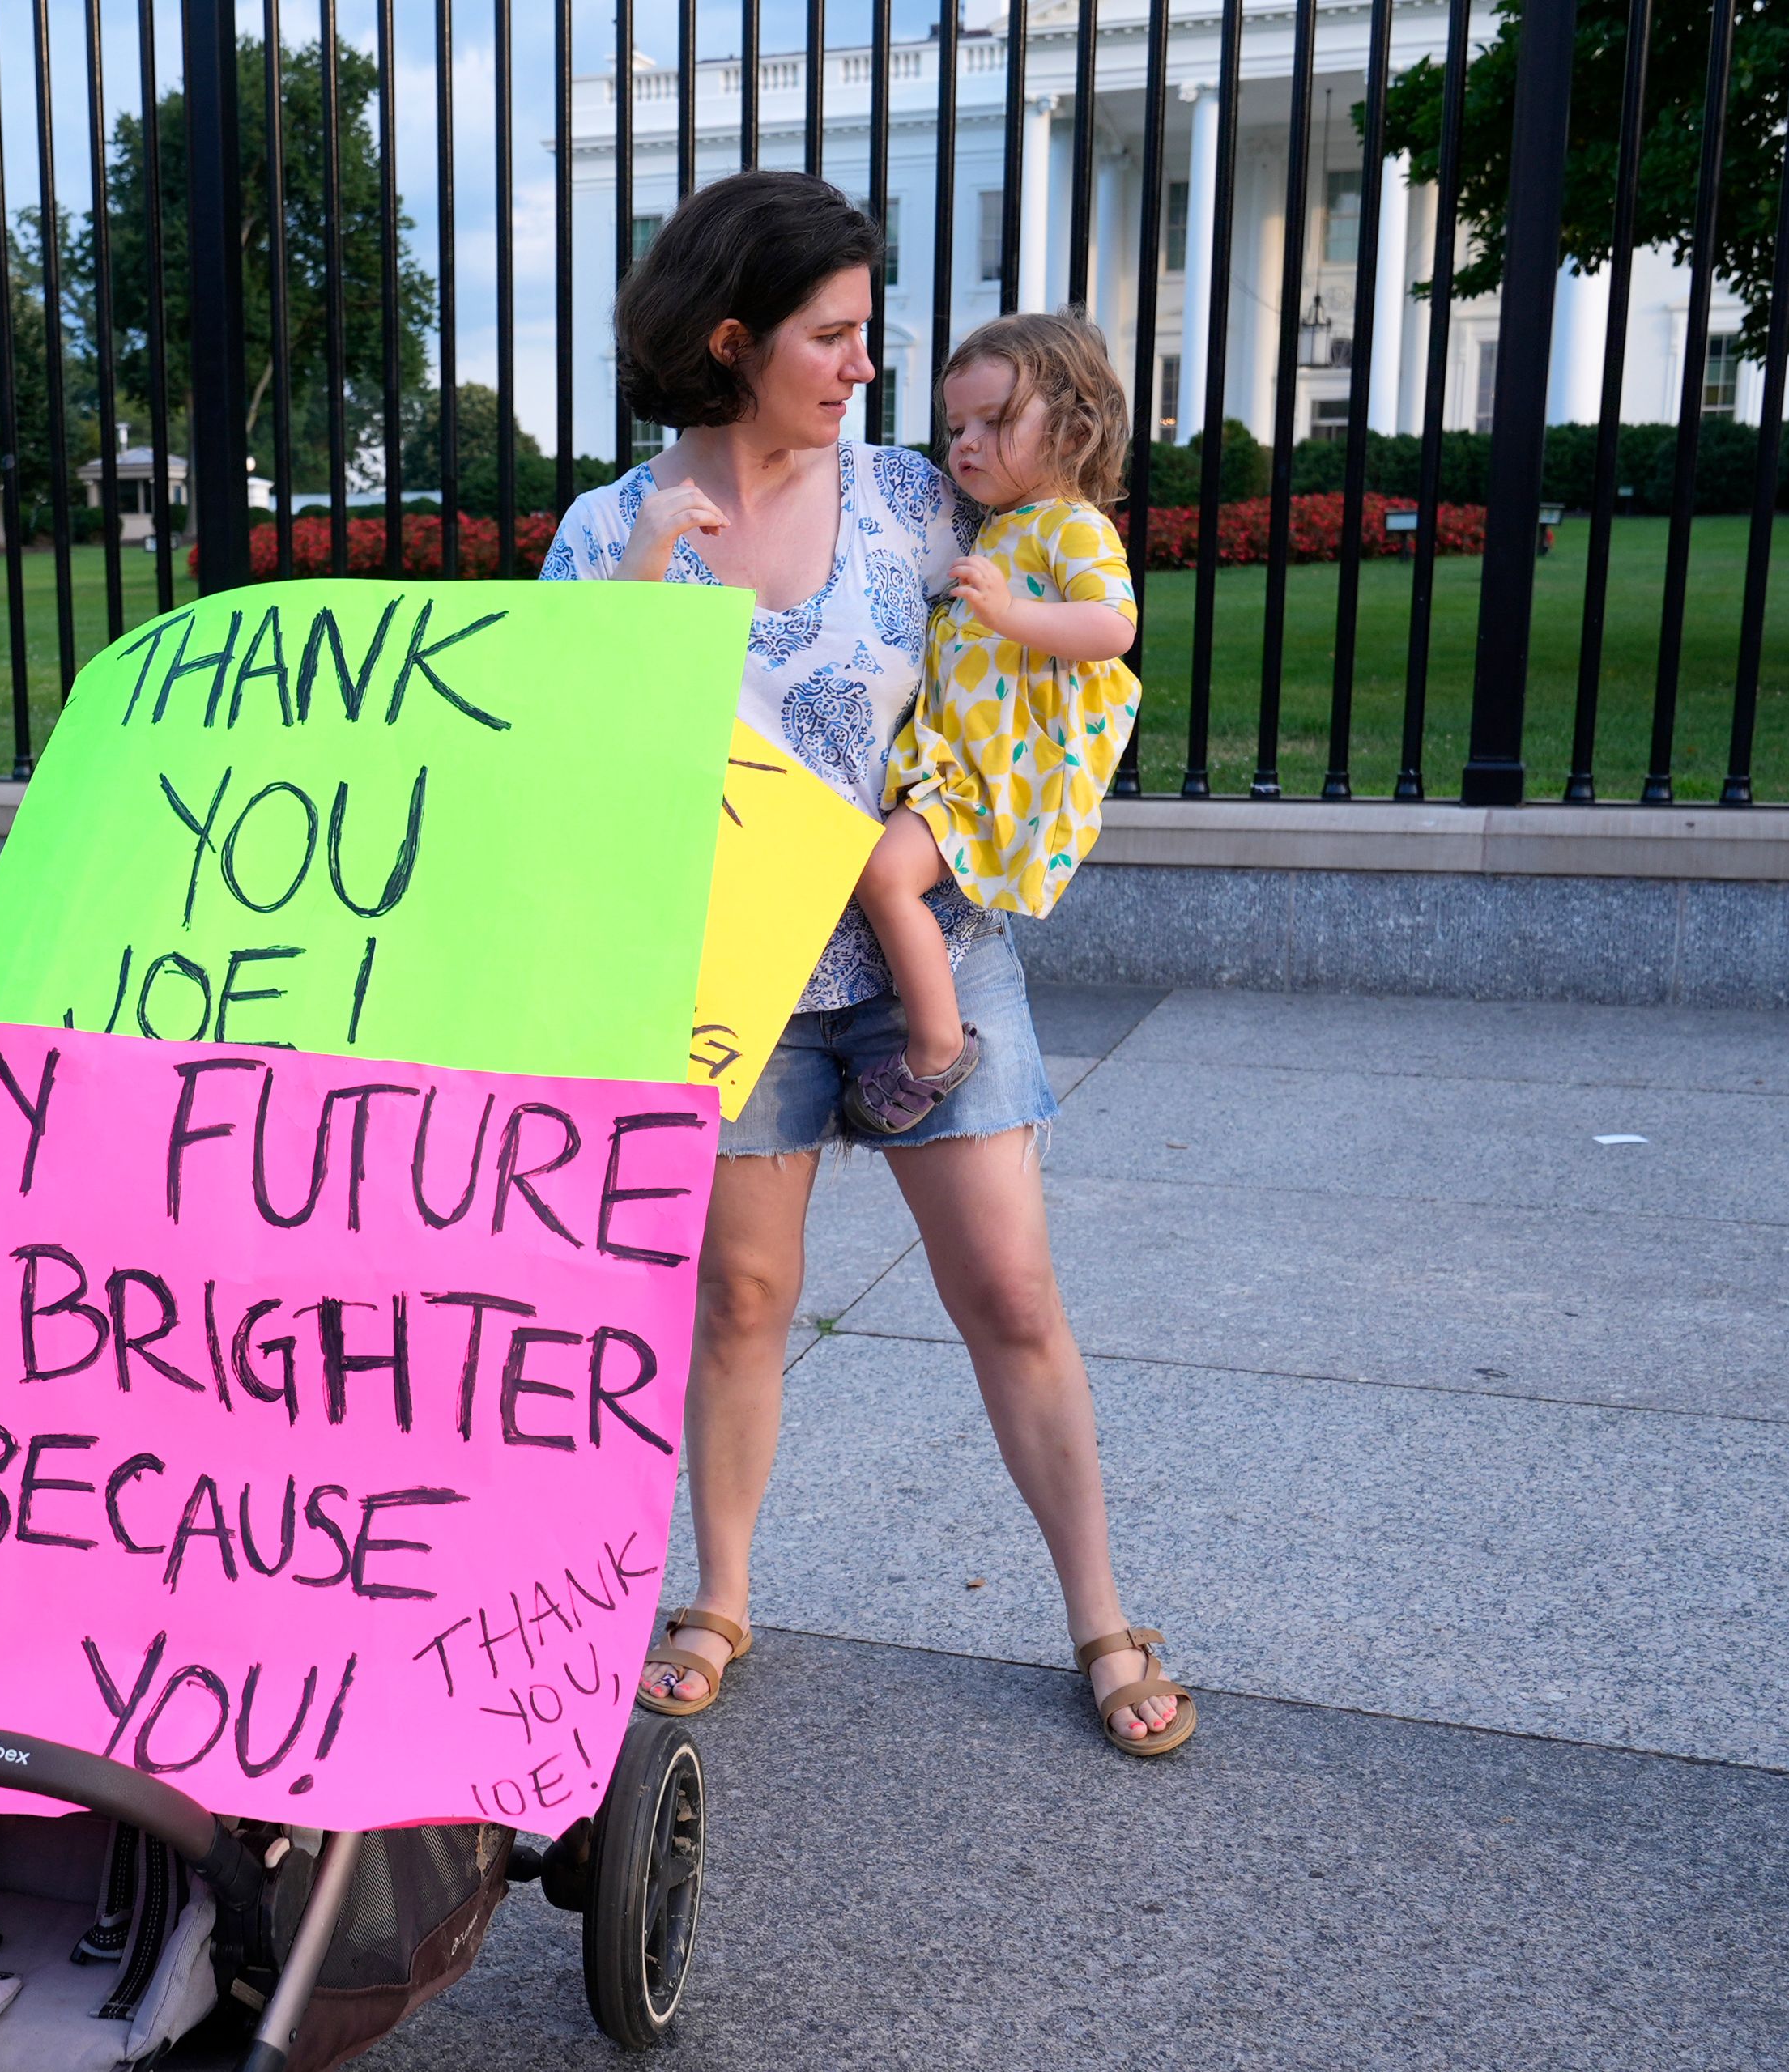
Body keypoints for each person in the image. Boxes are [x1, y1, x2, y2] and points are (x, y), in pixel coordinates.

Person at [539, 170, 1193, 1755]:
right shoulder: (610, 528)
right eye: (830, 336)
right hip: (736, 986)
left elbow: (1079, 568)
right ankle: (724, 1593)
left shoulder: (916, 495)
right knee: (743, 1298)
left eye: (867, 335)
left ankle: (1102, 1613)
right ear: (731, 338)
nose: (862, 368)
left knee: (1014, 1293)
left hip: (931, 958)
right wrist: (637, 596)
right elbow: (564, 765)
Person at [845, 311, 1143, 1135]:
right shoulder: (1000, 524)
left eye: (996, 421)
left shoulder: (1072, 525)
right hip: (959, 765)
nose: (966, 443)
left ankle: (937, 1047)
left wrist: (1011, 613)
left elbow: (1112, 629)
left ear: (1075, 425)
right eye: (956, 426)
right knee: (884, 871)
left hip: (995, 777)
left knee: (884, 873)